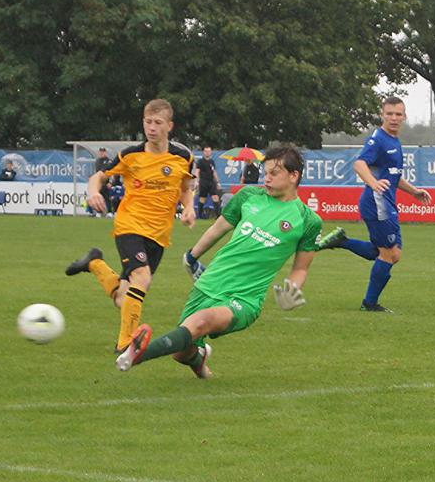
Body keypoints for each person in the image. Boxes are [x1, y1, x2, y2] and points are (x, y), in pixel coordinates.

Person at [116, 146, 320, 378]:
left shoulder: (308, 220)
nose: (267, 178)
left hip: (245, 297)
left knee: (201, 321)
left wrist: (291, 290)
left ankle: (136, 354)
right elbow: (217, 229)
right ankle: (199, 359)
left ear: (294, 176)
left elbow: (301, 268)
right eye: (266, 172)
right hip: (209, 284)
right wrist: (192, 256)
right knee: (182, 351)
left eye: (274, 173)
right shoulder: (248, 196)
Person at [65, 99, 196, 353]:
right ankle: (125, 342)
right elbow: (98, 177)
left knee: (123, 298)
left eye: (158, 123)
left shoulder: (183, 157)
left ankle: (95, 263)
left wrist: (189, 207)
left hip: (159, 235)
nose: (152, 128)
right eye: (148, 122)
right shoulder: (131, 155)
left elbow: (184, 188)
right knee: (142, 278)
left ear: (170, 125)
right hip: (130, 226)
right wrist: (93, 192)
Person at [316, 96, 432, 313]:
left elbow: (394, 176)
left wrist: (414, 191)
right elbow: (359, 164)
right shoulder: (378, 139)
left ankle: (342, 241)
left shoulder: (395, 141)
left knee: (386, 253)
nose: (394, 118)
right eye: (390, 114)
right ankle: (369, 304)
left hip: (387, 203)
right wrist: (373, 183)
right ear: (382, 115)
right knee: (389, 254)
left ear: (404, 116)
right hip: (377, 204)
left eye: (398, 114)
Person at [194, 146, 221, 218]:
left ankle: (218, 215)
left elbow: (214, 172)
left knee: (215, 197)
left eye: (209, 151)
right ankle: (200, 215)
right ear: (203, 152)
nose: (207, 153)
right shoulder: (200, 161)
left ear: (211, 152)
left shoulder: (212, 161)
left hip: (211, 182)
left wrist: (218, 182)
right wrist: (196, 181)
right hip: (203, 182)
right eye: (206, 151)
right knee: (203, 198)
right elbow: (197, 171)